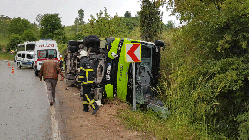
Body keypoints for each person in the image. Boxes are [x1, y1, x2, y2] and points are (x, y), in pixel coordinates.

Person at [78, 50, 99, 115]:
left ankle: (95, 106)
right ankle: (85, 108)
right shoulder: (90, 62)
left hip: (85, 81)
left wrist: (79, 82)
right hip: (90, 81)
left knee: (87, 95)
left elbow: (82, 73)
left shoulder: (82, 62)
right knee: (85, 94)